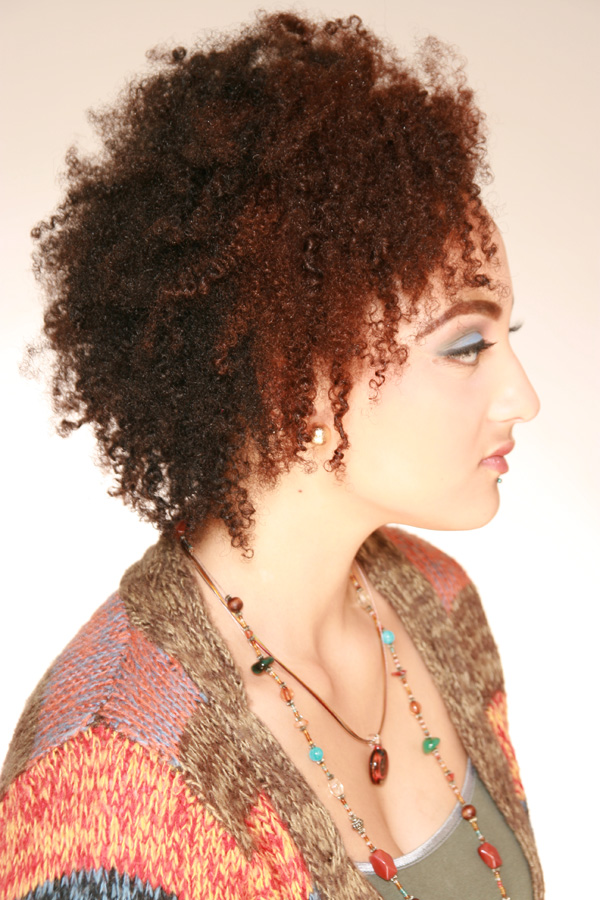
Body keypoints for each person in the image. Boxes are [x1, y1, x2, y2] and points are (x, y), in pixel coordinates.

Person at [0, 11, 543, 900]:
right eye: (466, 346)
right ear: (299, 369)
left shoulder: (438, 606)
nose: (523, 397)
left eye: (509, 334)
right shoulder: (110, 778)